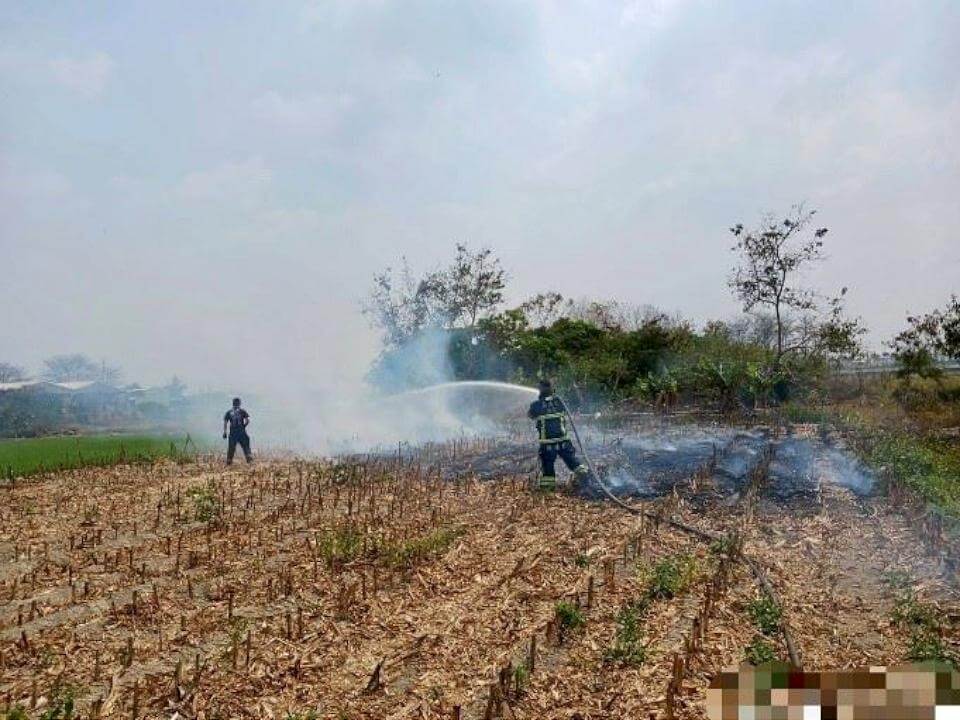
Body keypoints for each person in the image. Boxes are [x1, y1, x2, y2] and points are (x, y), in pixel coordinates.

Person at [527, 379, 590, 491]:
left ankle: (548, 490)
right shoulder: (561, 402)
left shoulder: (536, 405)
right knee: (573, 462)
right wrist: (575, 389)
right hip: (563, 441)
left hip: (547, 444)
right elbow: (577, 404)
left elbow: (531, 415)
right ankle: (587, 479)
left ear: (541, 389)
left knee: (548, 467)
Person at [222, 397, 252, 464]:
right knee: (246, 446)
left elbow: (225, 423)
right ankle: (249, 461)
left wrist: (225, 432)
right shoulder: (242, 411)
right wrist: (243, 427)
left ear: (233, 403)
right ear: (239, 403)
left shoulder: (229, 412)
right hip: (241, 432)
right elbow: (247, 421)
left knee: (231, 448)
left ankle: (229, 462)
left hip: (233, 433)